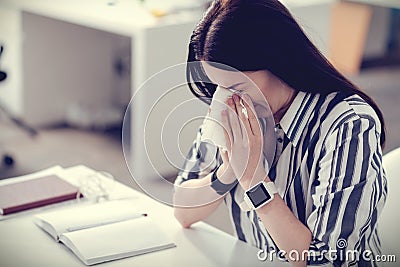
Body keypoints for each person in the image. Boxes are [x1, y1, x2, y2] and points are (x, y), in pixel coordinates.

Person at [173, 0, 387, 266]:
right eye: (218, 87)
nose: (226, 100)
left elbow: (327, 261)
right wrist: (228, 171)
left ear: (278, 63)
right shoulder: (232, 107)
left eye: (238, 87)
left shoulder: (348, 125)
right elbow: (182, 210)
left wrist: (253, 179)